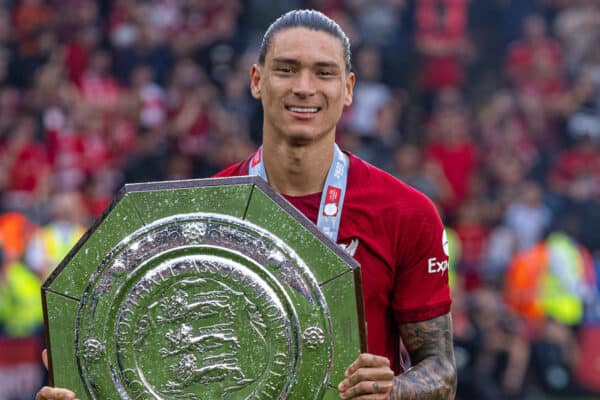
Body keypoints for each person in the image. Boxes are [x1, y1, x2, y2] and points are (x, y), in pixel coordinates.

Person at [36, 9, 456, 400]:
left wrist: (392, 392)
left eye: (323, 73)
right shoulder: (197, 212)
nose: (304, 87)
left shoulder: (406, 212)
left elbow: (441, 370)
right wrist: (84, 382)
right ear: (257, 81)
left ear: (347, 90)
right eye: (286, 69)